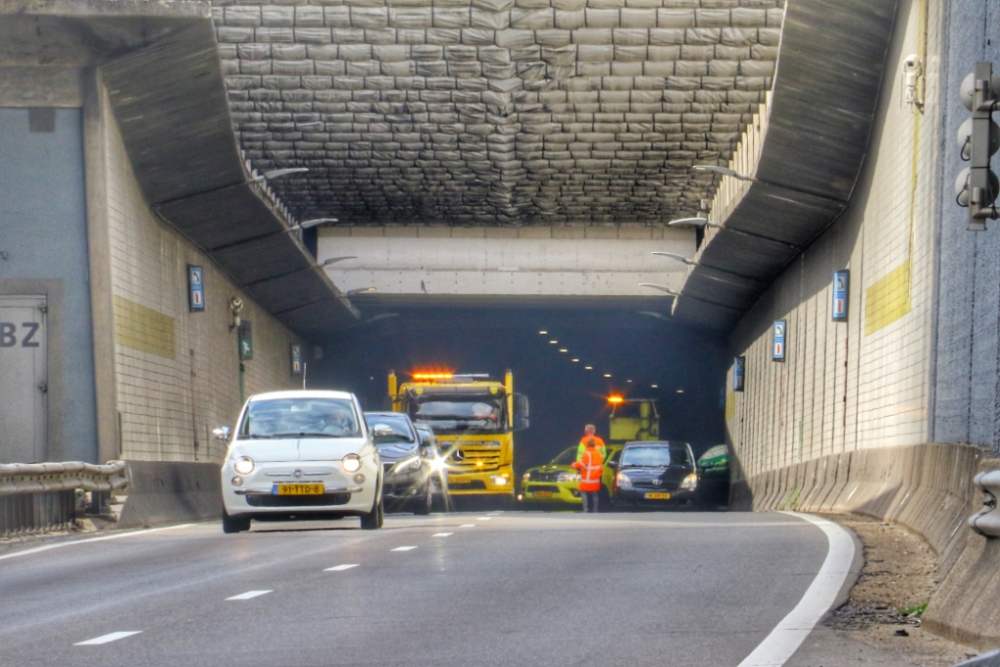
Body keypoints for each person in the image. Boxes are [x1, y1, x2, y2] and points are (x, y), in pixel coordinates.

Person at [572, 436, 604, 513]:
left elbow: (582, 464)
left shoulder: (586, 454)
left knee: (583, 492)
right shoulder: (599, 454)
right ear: (595, 445)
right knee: (594, 494)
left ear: (587, 445)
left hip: (587, 478)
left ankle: (585, 509)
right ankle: (595, 510)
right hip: (595, 478)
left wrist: (573, 464)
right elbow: (600, 465)